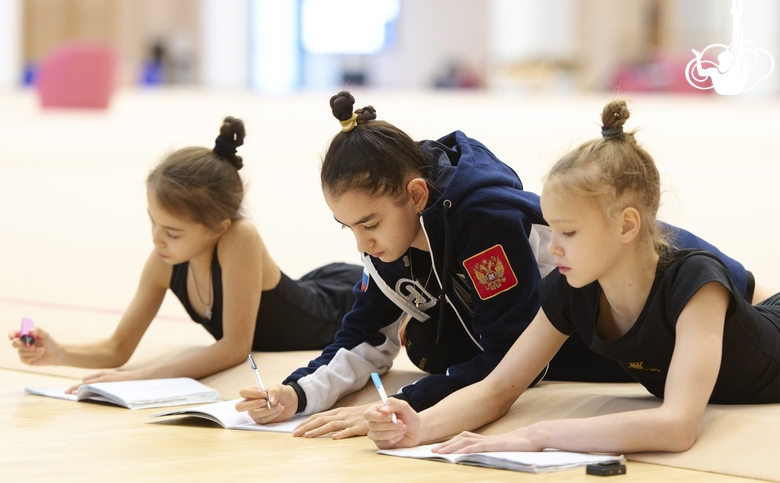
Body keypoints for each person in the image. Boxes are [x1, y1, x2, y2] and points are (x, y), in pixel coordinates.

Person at [236, 91, 768, 440]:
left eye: (369, 224)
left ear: (416, 195)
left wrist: (532, 435)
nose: (361, 243)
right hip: (608, 321)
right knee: (429, 346)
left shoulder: (486, 224)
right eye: (347, 227)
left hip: (717, 305)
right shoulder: (567, 285)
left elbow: (673, 425)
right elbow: (494, 383)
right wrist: (312, 398)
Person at [8, 116, 363, 390]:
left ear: (218, 227)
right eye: (153, 223)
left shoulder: (239, 236)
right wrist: (59, 353)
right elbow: (118, 347)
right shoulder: (164, 263)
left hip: (343, 305)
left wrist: (144, 377)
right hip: (311, 289)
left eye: (172, 232)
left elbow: (235, 347)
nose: (157, 240)